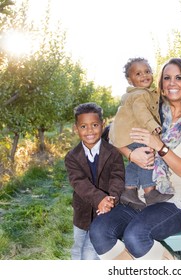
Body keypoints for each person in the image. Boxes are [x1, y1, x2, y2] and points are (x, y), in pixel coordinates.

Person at [89, 58, 181, 260]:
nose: (172, 83)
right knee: (99, 231)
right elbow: (113, 134)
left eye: (179, 78)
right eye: (167, 78)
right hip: (139, 194)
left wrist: (160, 146)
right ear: (161, 83)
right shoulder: (147, 109)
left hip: (174, 197)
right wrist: (131, 154)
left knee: (136, 236)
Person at [109, 57, 172, 209]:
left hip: (128, 135)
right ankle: (150, 191)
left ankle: (129, 190)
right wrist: (152, 126)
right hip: (137, 132)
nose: (144, 75)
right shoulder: (139, 94)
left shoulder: (140, 93)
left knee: (135, 162)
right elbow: (141, 111)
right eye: (138, 74)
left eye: (147, 71)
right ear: (130, 80)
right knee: (147, 156)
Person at [64, 102, 125, 260]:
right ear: (76, 128)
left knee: (91, 253)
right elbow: (79, 183)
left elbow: (117, 178)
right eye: (83, 126)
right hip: (82, 213)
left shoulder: (113, 153)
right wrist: (99, 199)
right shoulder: (72, 157)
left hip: (104, 212)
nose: (89, 130)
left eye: (94, 125)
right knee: (78, 247)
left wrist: (111, 199)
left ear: (102, 125)